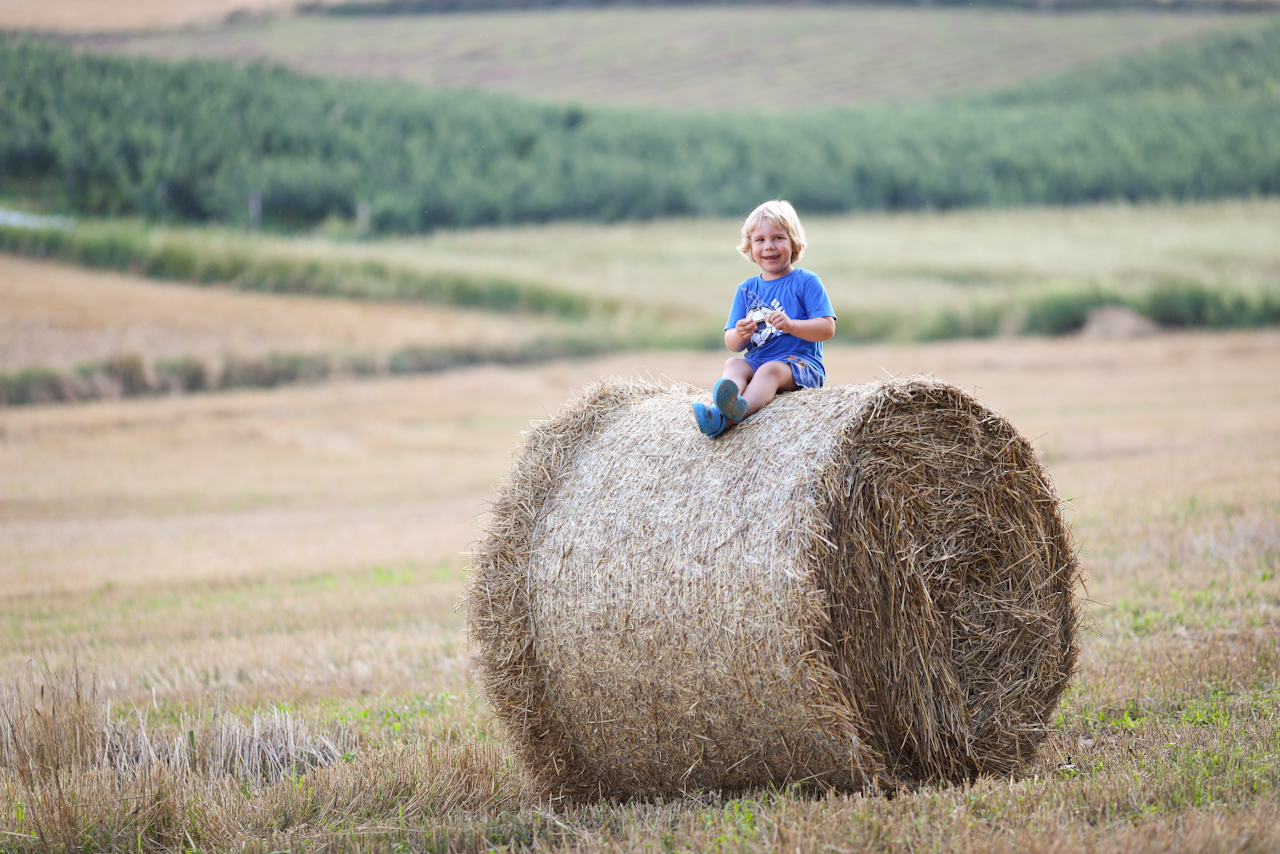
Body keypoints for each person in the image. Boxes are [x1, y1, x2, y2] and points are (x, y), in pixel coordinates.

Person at [692, 200, 836, 438]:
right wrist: (740, 333)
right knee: (733, 364)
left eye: (778, 238)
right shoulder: (746, 289)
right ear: (750, 247)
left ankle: (728, 418)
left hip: (799, 365)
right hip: (758, 360)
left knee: (769, 371)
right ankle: (728, 401)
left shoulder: (806, 282)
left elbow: (827, 328)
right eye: (760, 240)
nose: (769, 246)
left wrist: (791, 326)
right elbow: (732, 343)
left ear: (793, 242)